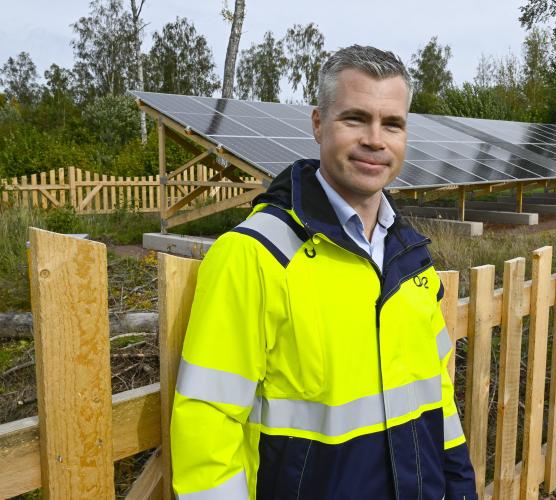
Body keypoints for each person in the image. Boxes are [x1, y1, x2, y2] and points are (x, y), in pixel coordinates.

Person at [170, 45, 478, 500]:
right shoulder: (255, 255)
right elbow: (207, 423)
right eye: (355, 118)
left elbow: (438, 397)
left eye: (392, 123)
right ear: (318, 123)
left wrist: (460, 490)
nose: (375, 139)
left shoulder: (411, 259)